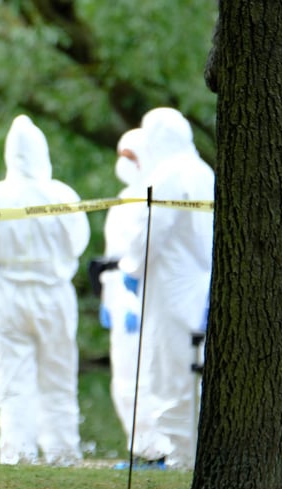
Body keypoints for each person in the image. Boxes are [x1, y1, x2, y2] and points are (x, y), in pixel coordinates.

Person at [0, 114, 90, 466]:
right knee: (58, 377)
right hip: (54, 295)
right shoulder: (62, 195)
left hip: (6, 294)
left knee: (12, 381)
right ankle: (62, 455)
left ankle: (18, 455)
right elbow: (79, 243)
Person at [118, 107, 214, 469]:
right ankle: (191, 453)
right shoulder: (203, 170)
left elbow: (150, 230)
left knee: (172, 373)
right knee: (193, 372)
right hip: (198, 284)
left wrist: (131, 267)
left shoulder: (169, 174)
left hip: (171, 288)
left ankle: (182, 458)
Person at [99, 127, 172, 467]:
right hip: (118, 293)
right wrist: (107, 300)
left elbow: (148, 251)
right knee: (125, 378)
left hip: (145, 295)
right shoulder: (121, 202)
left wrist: (132, 300)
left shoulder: (154, 197)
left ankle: (158, 448)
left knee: (149, 375)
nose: (123, 163)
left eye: (130, 157)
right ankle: (138, 446)